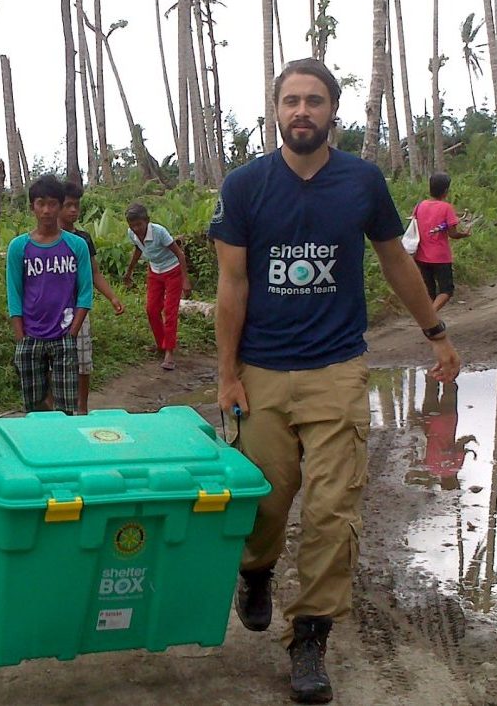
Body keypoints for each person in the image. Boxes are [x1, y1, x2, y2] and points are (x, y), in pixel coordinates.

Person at [208, 57, 460, 704]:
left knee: (331, 510)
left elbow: (397, 265)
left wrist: (435, 333)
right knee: (265, 500)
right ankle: (255, 570)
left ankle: (310, 637)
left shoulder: (361, 182)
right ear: (274, 110)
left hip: (336, 367)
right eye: (290, 100)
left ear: (331, 111)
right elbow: (230, 285)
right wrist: (226, 377)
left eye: (313, 101)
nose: (301, 111)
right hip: (261, 369)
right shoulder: (243, 187)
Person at [6, 175, 93, 414]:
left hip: (64, 335)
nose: (46, 210)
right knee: (34, 407)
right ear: (32, 206)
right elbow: (14, 292)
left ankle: (65, 448)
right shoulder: (19, 247)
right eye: (41, 203)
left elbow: (85, 292)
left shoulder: (77, 245)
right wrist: (20, 335)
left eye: (53, 203)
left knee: (66, 407)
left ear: (60, 205)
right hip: (30, 337)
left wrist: (72, 333)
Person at [59, 182, 125, 414]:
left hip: (79, 308)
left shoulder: (84, 239)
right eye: (68, 205)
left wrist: (112, 297)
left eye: (76, 206)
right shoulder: (48, 239)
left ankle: (83, 408)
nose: (74, 210)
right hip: (52, 310)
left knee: (83, 362)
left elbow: (94, 273)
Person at [122, 203, 192, 371]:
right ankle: (161, 344)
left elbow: (179, 254)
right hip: (154, 271)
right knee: (152, 309)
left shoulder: (159, 232)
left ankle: (169, 351)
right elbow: (138, 250)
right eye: (132, 225)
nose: (137, 228)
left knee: (170, 311)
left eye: (139, 224)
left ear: (147, 221)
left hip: (173, 271)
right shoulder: (132, 233)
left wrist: (185, 280)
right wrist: (129, 271)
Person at [412, 172, 471, 312]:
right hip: (440, 257)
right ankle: (431, 317)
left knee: (429, 292)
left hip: (421, 256)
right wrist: (464, 234)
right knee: (446, 290)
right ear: (445, 191)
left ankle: (429, 318)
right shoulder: (446, 208)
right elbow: (453, 234)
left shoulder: (420, 206)